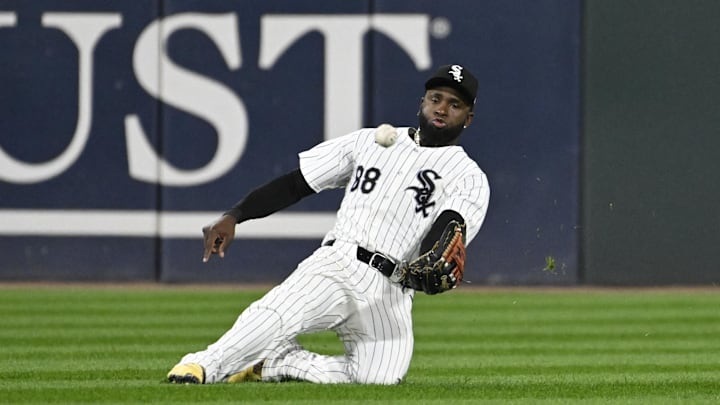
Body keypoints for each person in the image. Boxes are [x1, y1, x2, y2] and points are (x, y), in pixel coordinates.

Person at [167, 64, 490, 385]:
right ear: (422, 102)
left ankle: (278, 363)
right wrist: (235, 214)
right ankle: (201, 365)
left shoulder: (468, 176)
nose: (443, 108)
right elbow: (297, 184)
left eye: (455, 104)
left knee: (378, 379)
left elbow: (450, 224)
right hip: (340, 263)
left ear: (468, 118)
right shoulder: (368, 142)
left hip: (391, 290)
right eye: (436, 98)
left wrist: (433, 257)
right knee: (280, 311)